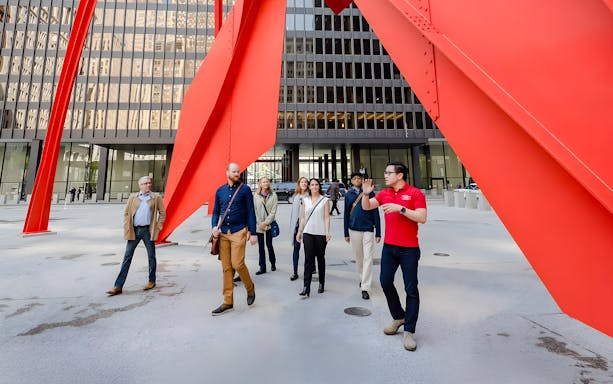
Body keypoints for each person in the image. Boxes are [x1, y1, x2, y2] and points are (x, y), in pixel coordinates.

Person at [361, 162, 427, 351]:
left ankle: (409, 331)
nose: (385, 175)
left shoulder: (415, 193)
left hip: (409, 249)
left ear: (400, 175)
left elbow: (422, 218)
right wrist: (366, 194)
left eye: (388, 172)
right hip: (390, 248)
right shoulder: (384, 193)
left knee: (411, 288)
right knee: (385, 282)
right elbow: (367, 207)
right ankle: (399, 316)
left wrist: (401, 209)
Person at [210, 163, 257, 315]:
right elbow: (216, 211)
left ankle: (250, 288)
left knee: (237, 263)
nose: (237, 173)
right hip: (223, 233)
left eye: (238, 171)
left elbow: (250, 211)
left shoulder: (245, 190)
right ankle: (227, 301)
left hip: (239, 231)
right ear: (227, 173)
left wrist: (253, 232)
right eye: (234, 171)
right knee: (226, 268)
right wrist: (214, 227)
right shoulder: (220, 191)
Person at [106, 176, 166, 296]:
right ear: (140, 185)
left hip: (148, 231)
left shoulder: (155, 197)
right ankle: (118, 286)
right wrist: (126, 226)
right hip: (134, 230)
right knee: (127, 257)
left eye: (150, 183)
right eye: (145, 183)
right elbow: (126, 212)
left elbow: (163, 213)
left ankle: (151, 281)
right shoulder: (133, 197)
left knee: (151, 256)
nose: (148, 185)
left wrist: (158, 227)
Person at [343, 172, 381, 300]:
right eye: (354, 178)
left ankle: (365, 287)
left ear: (363, 180)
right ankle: (362, 277)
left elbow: (375, 212)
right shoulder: (348, 195)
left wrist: (378, 231)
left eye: (359, 178)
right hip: (354, 229)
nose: (357, 180)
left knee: (368, 258)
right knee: (359, 258)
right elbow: (346, 215)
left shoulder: (370, 193)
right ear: (351, 181)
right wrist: (346, 233)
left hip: (368, 229)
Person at [296, 178, 330, 297]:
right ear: (309, 187)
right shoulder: (305, 200)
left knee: (320, 258)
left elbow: (326, 217)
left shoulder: (325, 200)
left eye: (316, 185)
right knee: (308, 260)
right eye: (312, 185)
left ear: (319, 187)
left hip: (320, 233)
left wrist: (327, 232)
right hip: (308, 233)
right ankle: (306, 286)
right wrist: (300, 232)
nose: (314, 187)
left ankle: (321, 282)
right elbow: (303, 217)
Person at [253, 177, 278, 275]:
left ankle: (273, 263)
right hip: (259, 226)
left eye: (267, 181)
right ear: (260, 184)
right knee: (261, 247)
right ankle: (262, 267)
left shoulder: (273, 195)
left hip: (269, 225)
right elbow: (254, 210)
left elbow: (273, 211)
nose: (265, 183)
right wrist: (260, 224)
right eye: (263, 182)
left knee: (269, 245)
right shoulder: (256, 196)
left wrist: (265, 223)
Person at [289, 177, 309, 281]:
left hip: (307, 225)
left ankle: (310, 268)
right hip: (296, 226)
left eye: (305, 182)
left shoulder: (310, 196)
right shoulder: (295, 196)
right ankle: (295, 272)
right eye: (302, 182)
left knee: (309, 249)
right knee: (296, 248)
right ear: (299, 184)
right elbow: (293, 213)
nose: (304, 183)